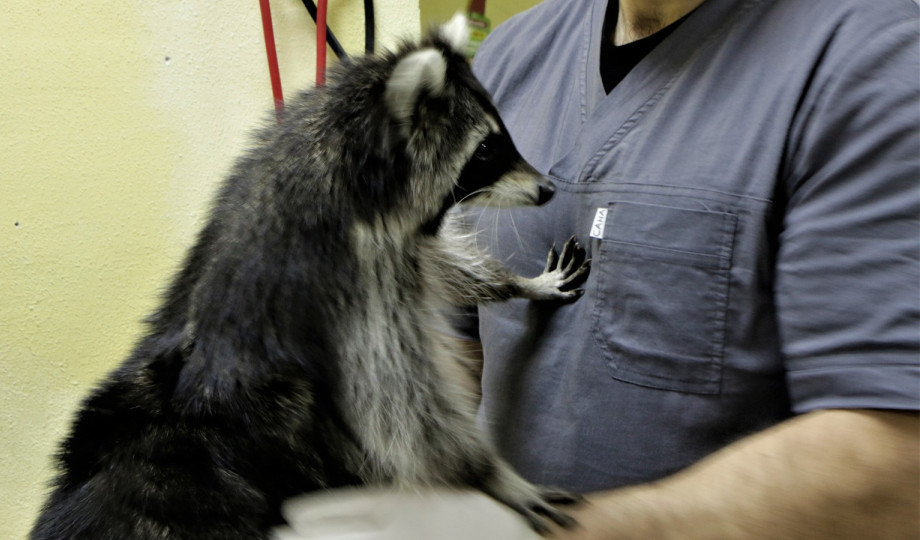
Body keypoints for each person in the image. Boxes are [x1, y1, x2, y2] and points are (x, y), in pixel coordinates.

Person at [279, 0, 919, 538]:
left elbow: (895, 462)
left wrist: (553, 533)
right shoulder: (510, 55)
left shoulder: (874, 56)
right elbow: (456, 347)